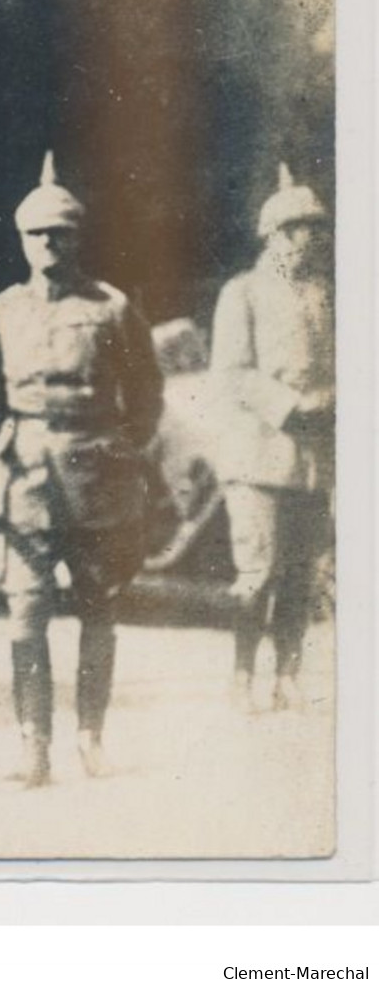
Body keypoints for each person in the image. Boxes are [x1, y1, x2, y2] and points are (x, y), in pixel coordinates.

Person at [0, 151, 164, 788]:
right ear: (21, 242)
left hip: (97, 483)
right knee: (25, 617)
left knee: (98, 610)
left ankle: (92, 739)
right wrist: (9, 443)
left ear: (77, 238)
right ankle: (34, 748)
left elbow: (146, 394)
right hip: (26, 483)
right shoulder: (2, 311)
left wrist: (119, 450)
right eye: (36, 234)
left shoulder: (110, 308)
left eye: (60, 233)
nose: (48, 244)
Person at [210, 164, 335, 713]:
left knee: (301, 576)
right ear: (276, 234)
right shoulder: (244, 293)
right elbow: (234, 373)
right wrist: (293, 406)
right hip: (258, 459)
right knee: (257, 574)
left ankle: (287, 676)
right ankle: (242, 677)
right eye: (303, 228)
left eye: (317, 228)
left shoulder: (327, 295)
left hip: (313, 461)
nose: (313, 238)